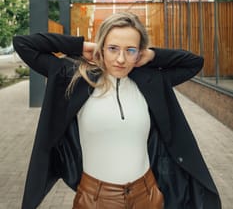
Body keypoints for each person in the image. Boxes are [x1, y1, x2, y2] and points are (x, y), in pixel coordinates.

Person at [13, 12, 221, 209]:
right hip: (95, 198)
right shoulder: (75, 78)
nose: (121, 59)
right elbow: (24, 44)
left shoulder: (151, 81)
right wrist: (81, 46)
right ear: (101, 48)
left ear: (139, 53)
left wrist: (152, 55)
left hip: (147, 195)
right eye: (113, 48)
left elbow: (193, 63)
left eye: (130, 50)